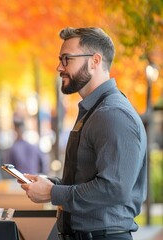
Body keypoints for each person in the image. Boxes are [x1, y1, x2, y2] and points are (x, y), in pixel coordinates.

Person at [20, 27, 147, 240]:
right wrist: (51, 184)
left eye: (67, 59)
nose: (59, 67)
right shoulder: (95, 111)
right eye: (60, 59)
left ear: (95, 61)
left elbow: (113, 188)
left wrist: (52, 193)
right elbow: (89, 180)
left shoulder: (112, 114)